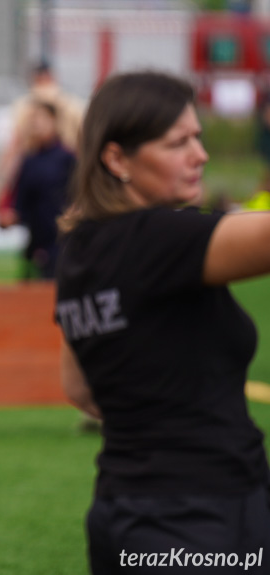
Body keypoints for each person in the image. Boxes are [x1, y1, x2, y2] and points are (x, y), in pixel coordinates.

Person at [56, 71, 270, 574]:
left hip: (122, 506)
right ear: (116, 158)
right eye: (179, 143)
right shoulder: (158, 238)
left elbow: (80, 388)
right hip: (201, 513)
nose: (201, 154)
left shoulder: (81, 250)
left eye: (197, 137)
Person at [0, 62, 83, 228]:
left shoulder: (25, 105)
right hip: (50, 166)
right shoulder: (73, 104)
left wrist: (0, 186)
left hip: (51, 167)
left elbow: (14, 146)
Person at [12, 100, 75, 279]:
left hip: (62, 243)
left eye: (41, 118)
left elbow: (79, 197)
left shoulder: (67, 159)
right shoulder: (29, 161)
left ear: (54, 121)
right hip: (35, 244)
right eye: (33, 119)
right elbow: (21, 202)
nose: (36, 124)